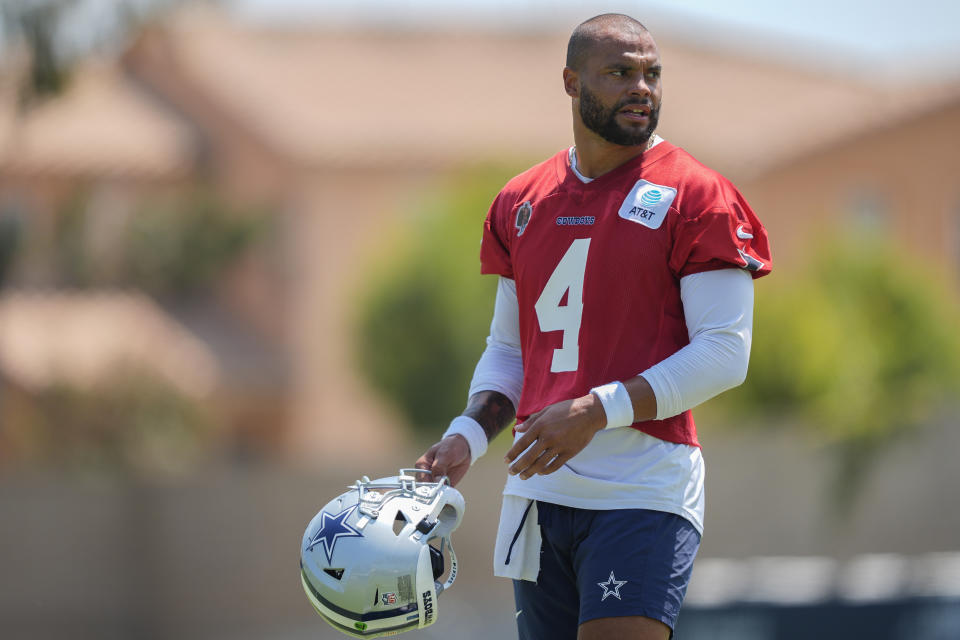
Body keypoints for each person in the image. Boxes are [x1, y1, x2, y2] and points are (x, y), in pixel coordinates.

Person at [415, 13, 771, 640]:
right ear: (571, 82)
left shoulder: (698, 195)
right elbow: (511, 349)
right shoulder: (520, 201)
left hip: (641, 490)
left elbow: (724, 353)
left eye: (652, 74)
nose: (642, 88)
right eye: (620, 73)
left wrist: (593, 411)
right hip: (540, 495)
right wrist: (466, 436)